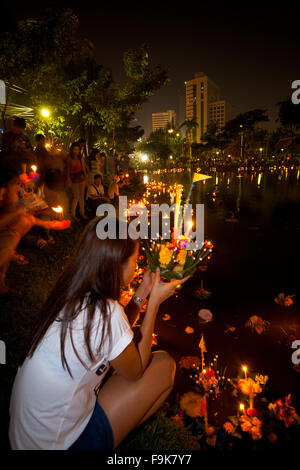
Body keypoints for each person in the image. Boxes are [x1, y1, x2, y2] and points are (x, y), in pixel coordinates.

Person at [9, 216, 190, 449]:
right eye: (135, 260)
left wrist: (143, 291)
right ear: (116, 264)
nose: (136, 266)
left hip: (28, 438)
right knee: (164, 366)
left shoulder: (71, 292)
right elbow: (136, 371)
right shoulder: (107, 313)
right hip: (60, 444)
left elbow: (111, 328)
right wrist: (154, 301)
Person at [0, 166, 70, 295]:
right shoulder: (10, 205)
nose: (18, 189)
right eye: (16, 186)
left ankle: (1, 283)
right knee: (11, 237)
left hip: (10, 238)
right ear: (2, 191)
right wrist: (17, 213)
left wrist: (50, 224)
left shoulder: (11, 207)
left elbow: (29, 219)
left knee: (16, 231)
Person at [67, 142, 87, 222]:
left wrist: (86, 179)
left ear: (79, 150)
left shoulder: (80, 157)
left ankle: (82, 212)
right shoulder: (69, 158)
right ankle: (73, 214)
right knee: (76, 196)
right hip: (74, 178)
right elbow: (68, 170)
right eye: (75, 149)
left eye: (78, 149)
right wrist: (69, 180)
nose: (76, 151)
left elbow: (83, 168)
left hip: (81, 177)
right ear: (72, 149)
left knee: (82, 197)